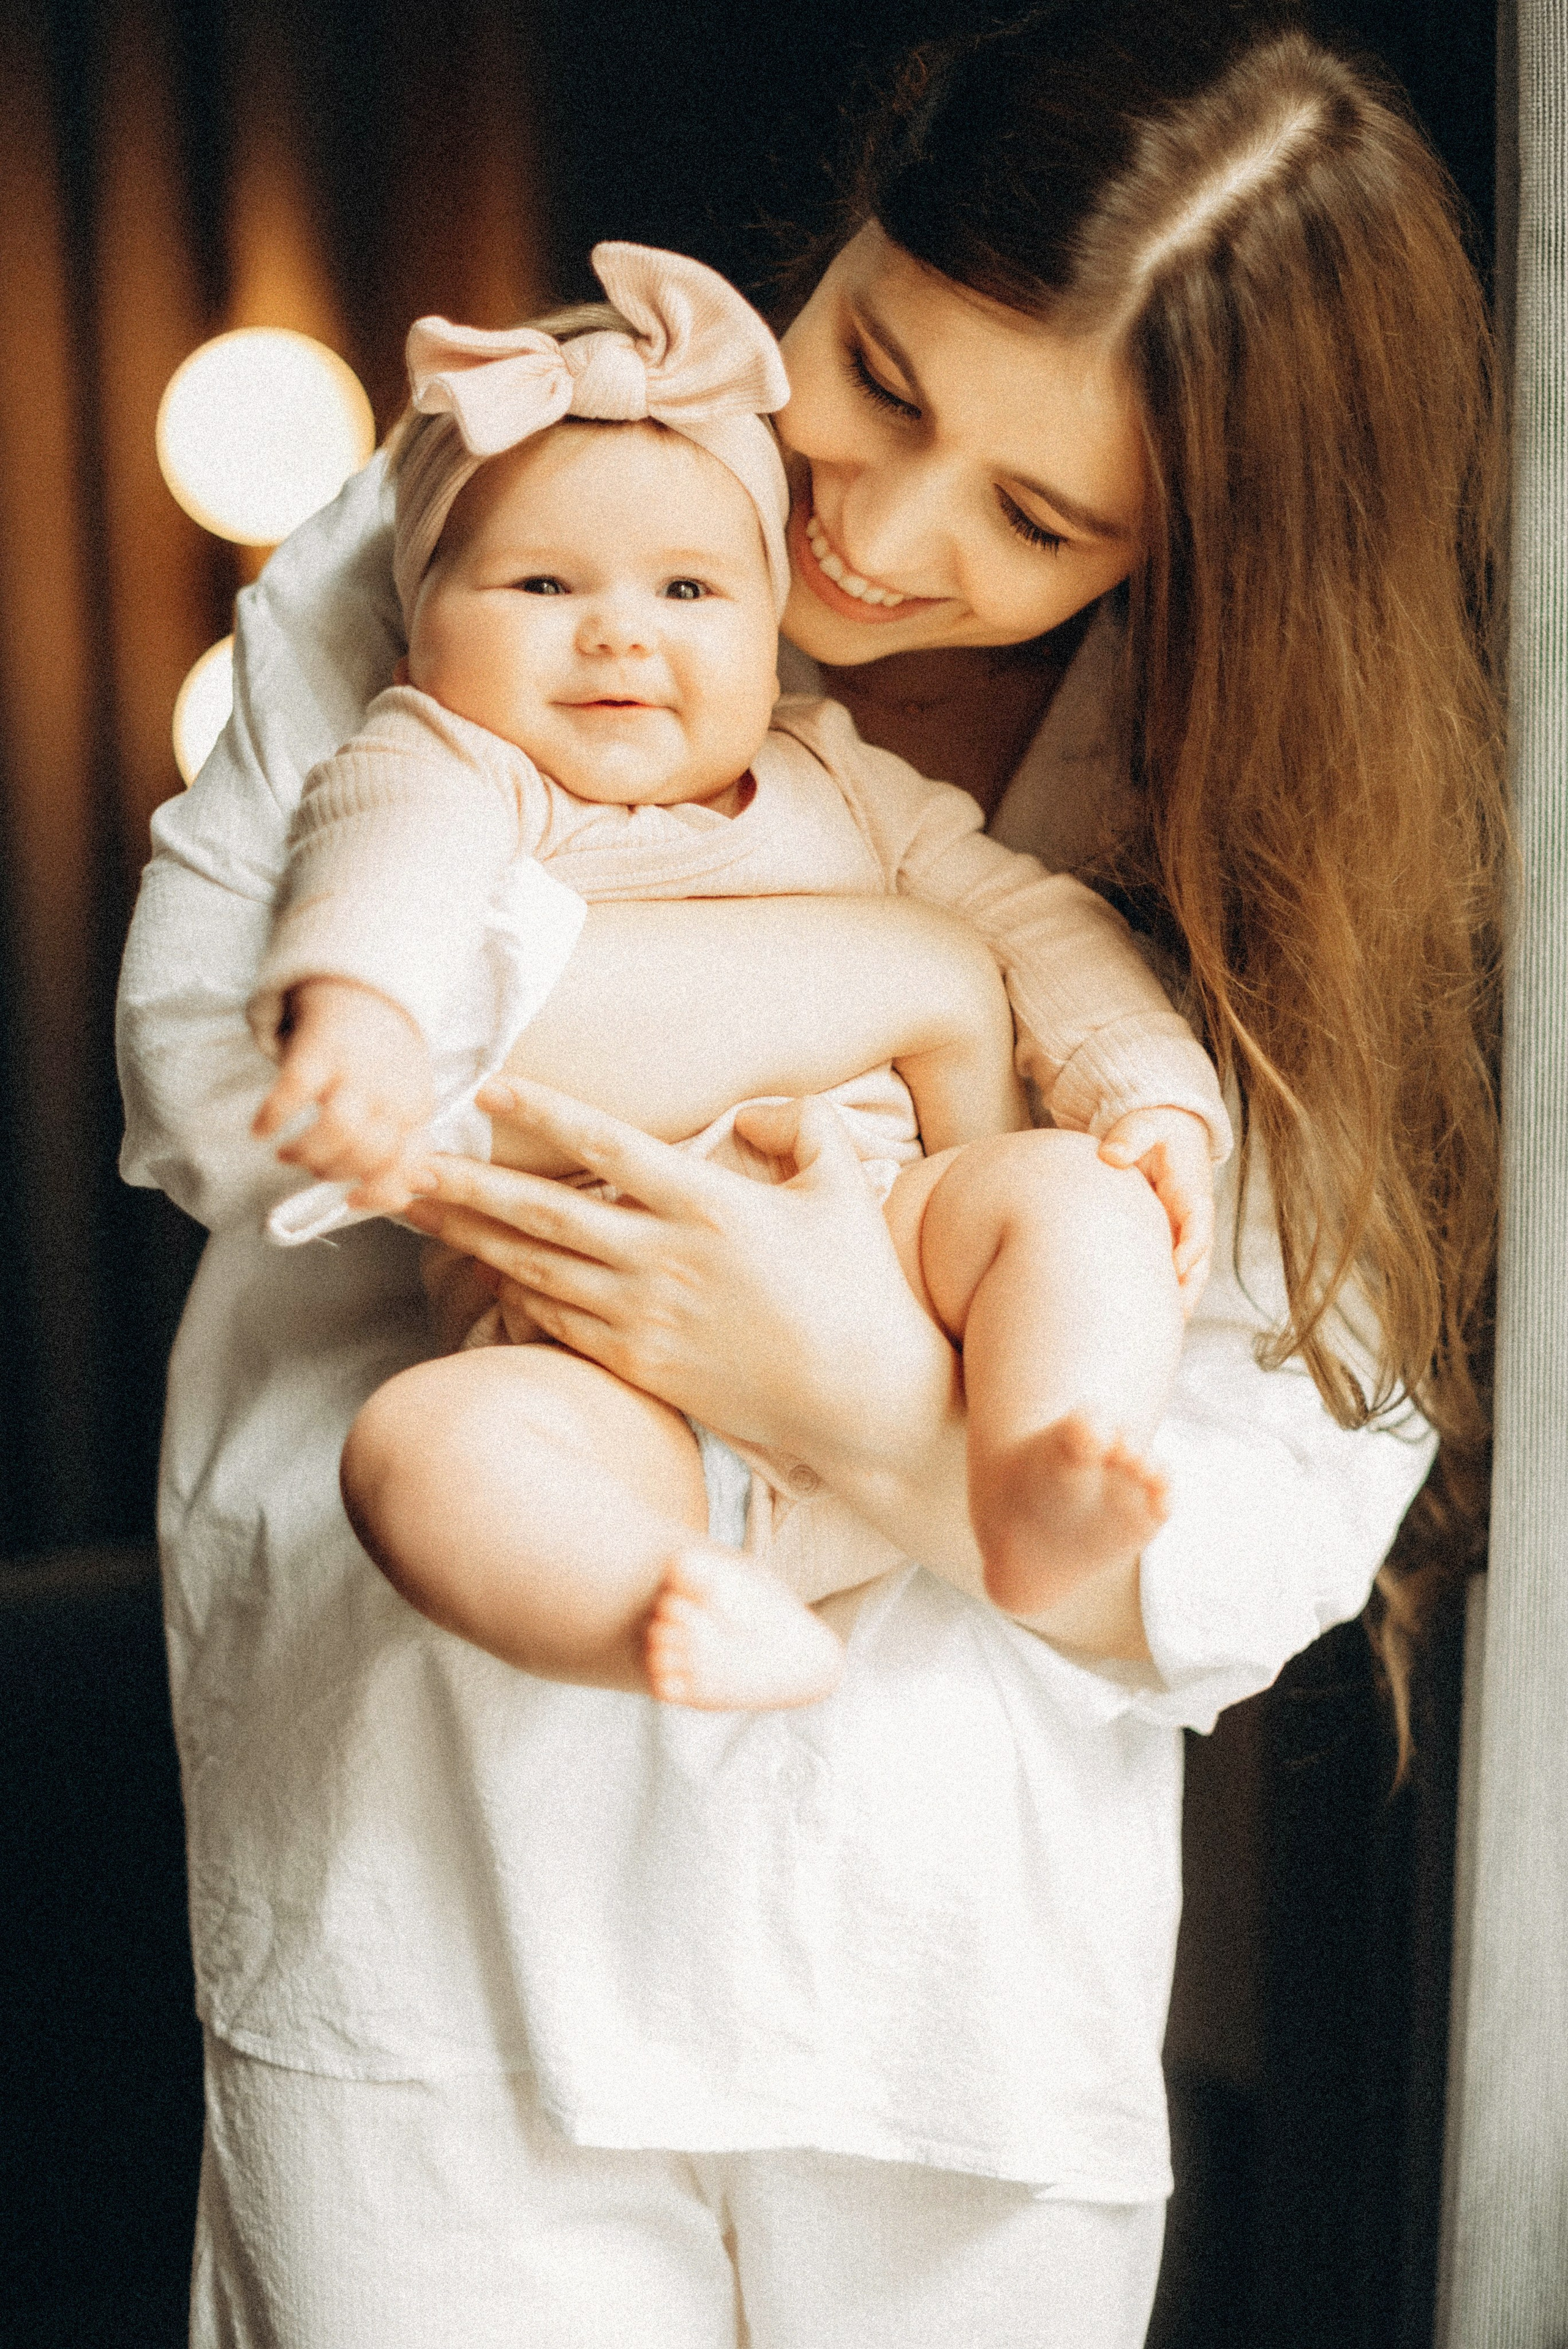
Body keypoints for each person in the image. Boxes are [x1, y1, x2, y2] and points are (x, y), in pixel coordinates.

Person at [115, 7, 1503, 2344]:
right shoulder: (541, 474)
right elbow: (213, 1070)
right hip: (440, 1901)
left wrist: (868, 1397)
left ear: (1200, 549)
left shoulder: (1287, 807)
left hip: (939, 1983)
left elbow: (1254, 1526)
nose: (873, 522)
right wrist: (914, 991)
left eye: (1040, 518)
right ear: (840, 235)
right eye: (876, 368)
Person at [249, 243, 1229, 1713]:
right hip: (589, 1358)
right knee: (416, 1448)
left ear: (764, 632)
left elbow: (1028, 928)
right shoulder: (454, 764)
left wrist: (1152, 1097)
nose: (620, 631)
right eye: (539, 582)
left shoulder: (835, 777)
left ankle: (1039, 1467)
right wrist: (362, 1015)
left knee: (1077, 1203)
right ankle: (656, 1596)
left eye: (689, 586)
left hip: (897, 1269)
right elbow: (380, 857)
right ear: (424, 618)